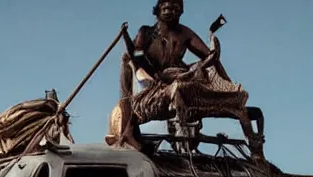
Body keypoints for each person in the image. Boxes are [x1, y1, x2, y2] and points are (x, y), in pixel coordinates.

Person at [107, 0, 263, 157]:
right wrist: (154, 76)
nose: (170, 12)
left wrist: (211, 54)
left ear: (181, 12)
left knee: (200, 83)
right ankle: (130, 131)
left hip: (180, 77)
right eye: (166, 8)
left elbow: (207, 55)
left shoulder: (184, 33)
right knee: (136, 65)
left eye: (175, 8)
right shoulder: (146, 32)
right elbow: (137, 56)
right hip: (151, 82)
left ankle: (256, 151)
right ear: (158, 10)